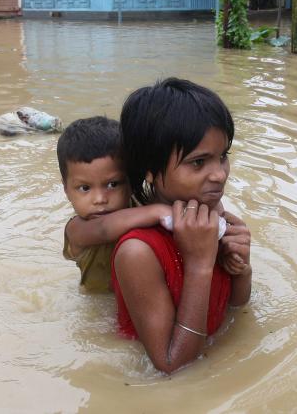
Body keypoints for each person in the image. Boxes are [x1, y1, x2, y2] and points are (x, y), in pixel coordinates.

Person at [112, 78, 252, 374]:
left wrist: (242, 265)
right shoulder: (138, 252)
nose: (219, 175)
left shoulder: (210, 212)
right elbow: (172, 365)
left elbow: (235, 308)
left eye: (223, 156)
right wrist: (200, 264)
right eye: (199, 162)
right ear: (150, 170)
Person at [59, 116, 174, 293]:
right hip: (98, 302)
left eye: (112, 184)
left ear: (131, 181)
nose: (99, 199)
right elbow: (103, 229)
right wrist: (158, 211)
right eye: (84, 188)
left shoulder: (138, 205)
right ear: (66, 189)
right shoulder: (76, 229)